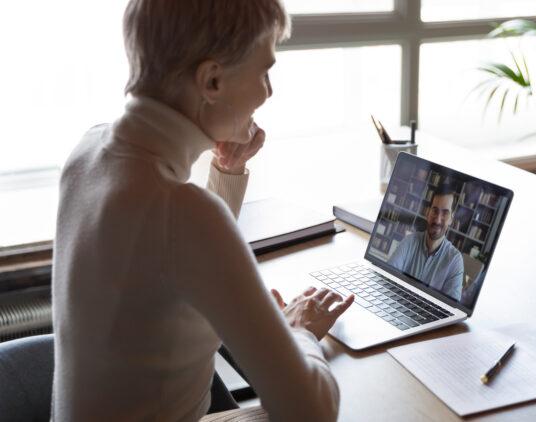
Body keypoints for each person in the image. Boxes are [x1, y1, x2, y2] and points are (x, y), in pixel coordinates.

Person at [51, 1, 353, 421]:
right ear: (212, 80)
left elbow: (176, 260)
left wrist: (227, 171)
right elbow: (312, 411)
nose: (269, 91)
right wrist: (299, 332)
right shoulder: (184, 214)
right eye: (265, 72)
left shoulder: (88, 152)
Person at [387, 185, 465, 301]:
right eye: (435, 210)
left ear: (451, 220)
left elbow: (451, 308)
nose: (438, 220)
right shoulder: (409, 241)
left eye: (445, 213)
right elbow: (387, 278)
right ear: (428, 213)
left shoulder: (455, 260)